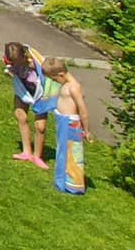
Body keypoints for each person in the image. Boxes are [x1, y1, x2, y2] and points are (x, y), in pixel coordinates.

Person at [41, 58, 89, 195]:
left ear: (61, 75)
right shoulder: (67, 84)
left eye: (55, 80)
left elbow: (82, 109)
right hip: (63, 122)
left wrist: (86, 129)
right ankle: (61, 180)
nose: (55, 82)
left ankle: (73, 184)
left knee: (71, 153)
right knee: (62, 152)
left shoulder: (74, 87)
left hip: (70, 124)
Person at [2, 41, 49, 166]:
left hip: (40, 93)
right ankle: (26, 151)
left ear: (23, 56)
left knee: (40, 126)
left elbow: (47, 76)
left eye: (18, 61)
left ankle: (37, 156)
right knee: (20, 115)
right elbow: (9, 69)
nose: (16, 64)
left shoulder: (35, 62)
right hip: (23, 90)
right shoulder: (10, 61)